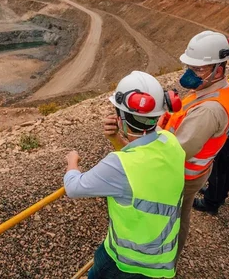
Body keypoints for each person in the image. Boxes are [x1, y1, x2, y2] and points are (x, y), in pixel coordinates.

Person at [103, 31, 229, 259]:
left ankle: (166, 260)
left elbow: (175, 152)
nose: (191, 74)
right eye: (189, 66)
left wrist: (126, 139)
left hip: (183, 174)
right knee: (177, 213)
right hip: (192, 170)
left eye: (199, 69)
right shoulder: (212, 90)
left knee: (174, 217)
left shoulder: (209, 110)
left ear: (220, 68)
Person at [64, 71, 185, 279]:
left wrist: (72, 162)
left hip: (126, 262)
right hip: (161, 258)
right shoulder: (170, 141)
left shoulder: (119, 165)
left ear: (120, 116)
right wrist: (116, 138)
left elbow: (74, 187)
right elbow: (141, 160)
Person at [193, 33, 229, 214]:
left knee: (220, 167)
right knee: (226, 166)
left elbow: (222, 95)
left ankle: (212, 202)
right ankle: (219, 193)